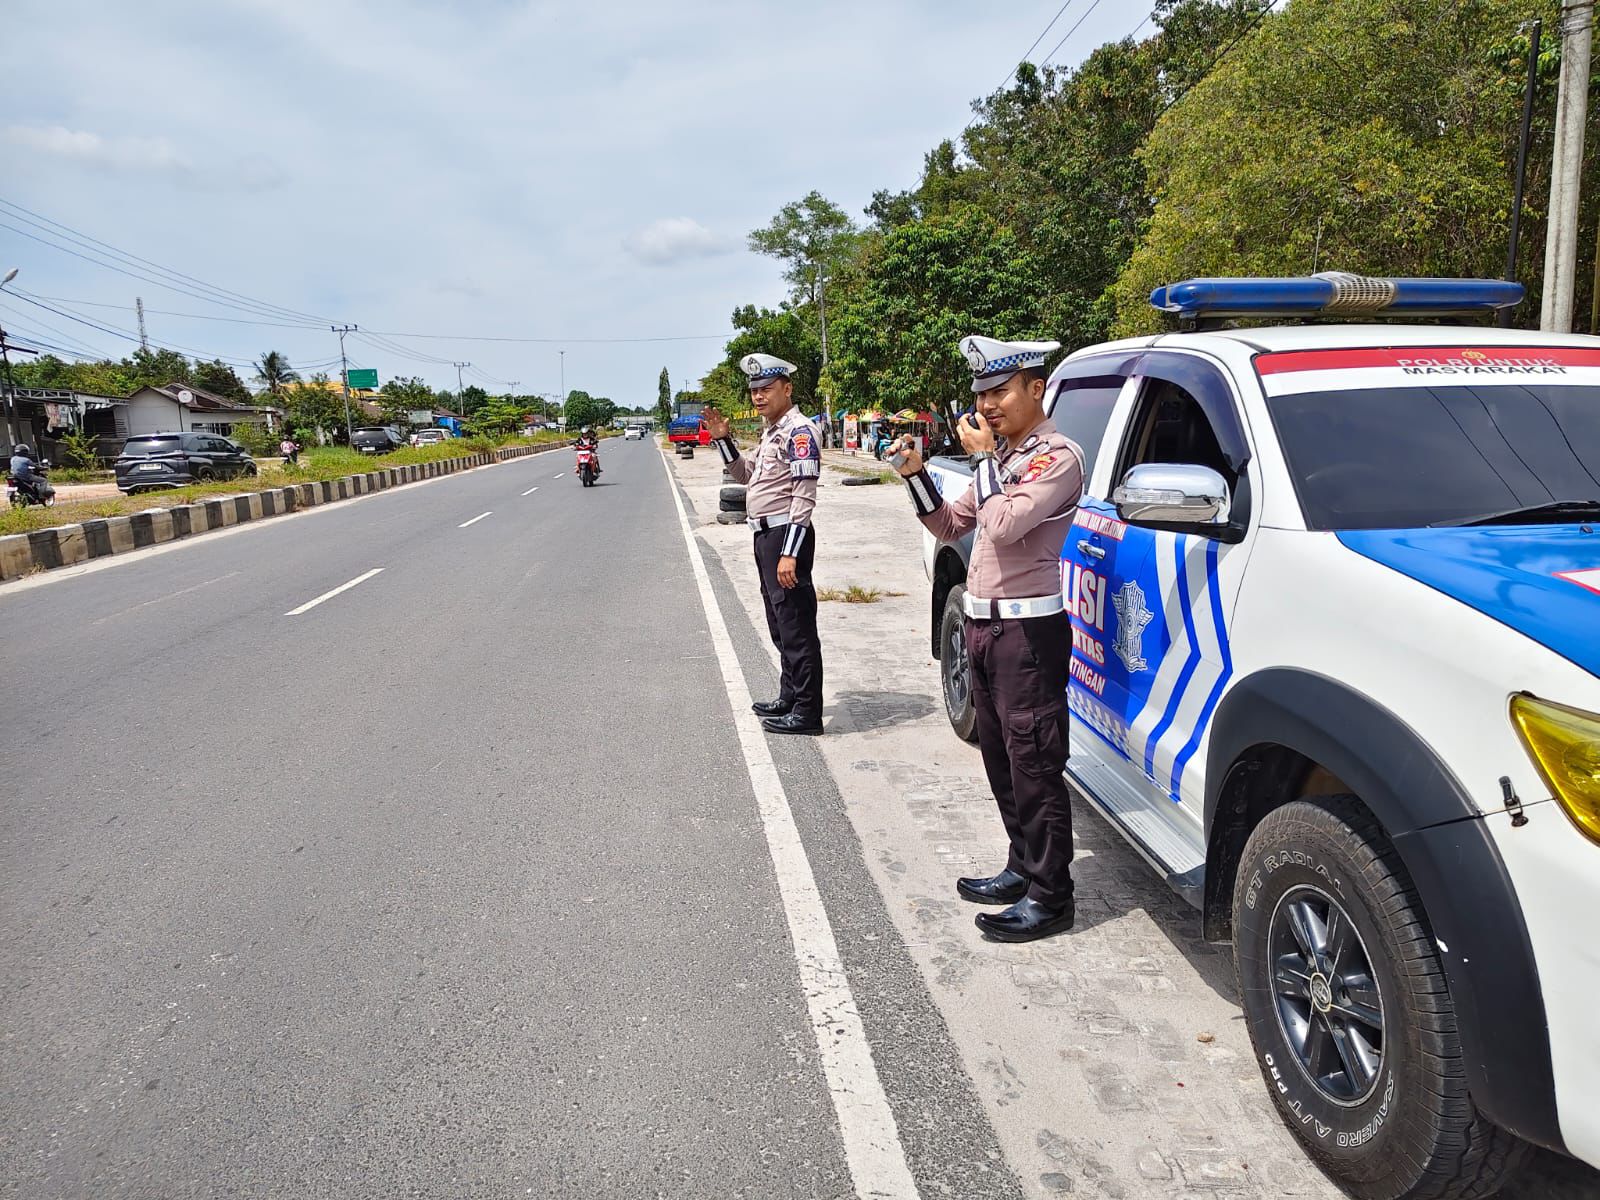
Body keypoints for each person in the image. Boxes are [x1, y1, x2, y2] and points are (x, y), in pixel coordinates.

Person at [890, 335, 1084, 942]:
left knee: (1034, 764)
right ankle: (1022, 865)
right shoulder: (1002, 463)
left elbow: (1001, 524)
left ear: (1036, 388)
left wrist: (979, 460)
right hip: (984, 626)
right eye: (981, 395)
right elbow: (952, 525)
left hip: (1028, 633)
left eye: (1000, 390)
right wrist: (917, 475)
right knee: (1000, 756)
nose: (989, 405)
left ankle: (1053, 896)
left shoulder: (1057, 458)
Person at [704, 353, 825, 736]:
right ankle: (789, 696)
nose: (758, 397)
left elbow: (803, 498)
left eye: (766, 389)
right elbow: (744, 473)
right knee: (779, 625)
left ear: (786, 389)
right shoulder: (771, 431)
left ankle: (807, 714)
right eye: (754, 391)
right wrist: (723, 439)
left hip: (785, 537)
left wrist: (790, 552)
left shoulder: (800, 432)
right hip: (765, 537)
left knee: (796, 627)